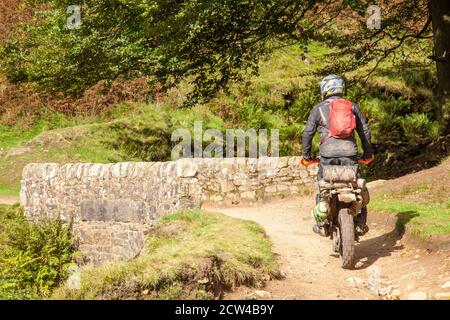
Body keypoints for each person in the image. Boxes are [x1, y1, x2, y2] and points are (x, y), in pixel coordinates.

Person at [301, 74, 374, 236]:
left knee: (323, 188)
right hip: (350, 155)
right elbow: (365, 132)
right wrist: (368, 154)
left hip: (327, 156)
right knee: (356, 187)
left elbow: (307, 134)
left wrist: (306, 156)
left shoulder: (318, 109)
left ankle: (322, 224)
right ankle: (360, 223)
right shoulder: (352, 107)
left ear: (324, 89)